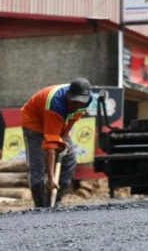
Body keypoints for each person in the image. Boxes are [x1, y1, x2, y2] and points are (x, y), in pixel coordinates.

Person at [21, 78, 93, 207]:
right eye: (75, 101)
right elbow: (50, 147)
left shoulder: (87, 99)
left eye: (80, 102)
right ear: (68, 95)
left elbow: (73, 118)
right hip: (35, 122)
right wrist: (51, 178)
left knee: (70, 160)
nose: (77, 104)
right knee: (38, 166)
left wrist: (64, 137)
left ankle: (54, 202)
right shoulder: (56, 103)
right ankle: (41, 207)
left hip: (60, 123)